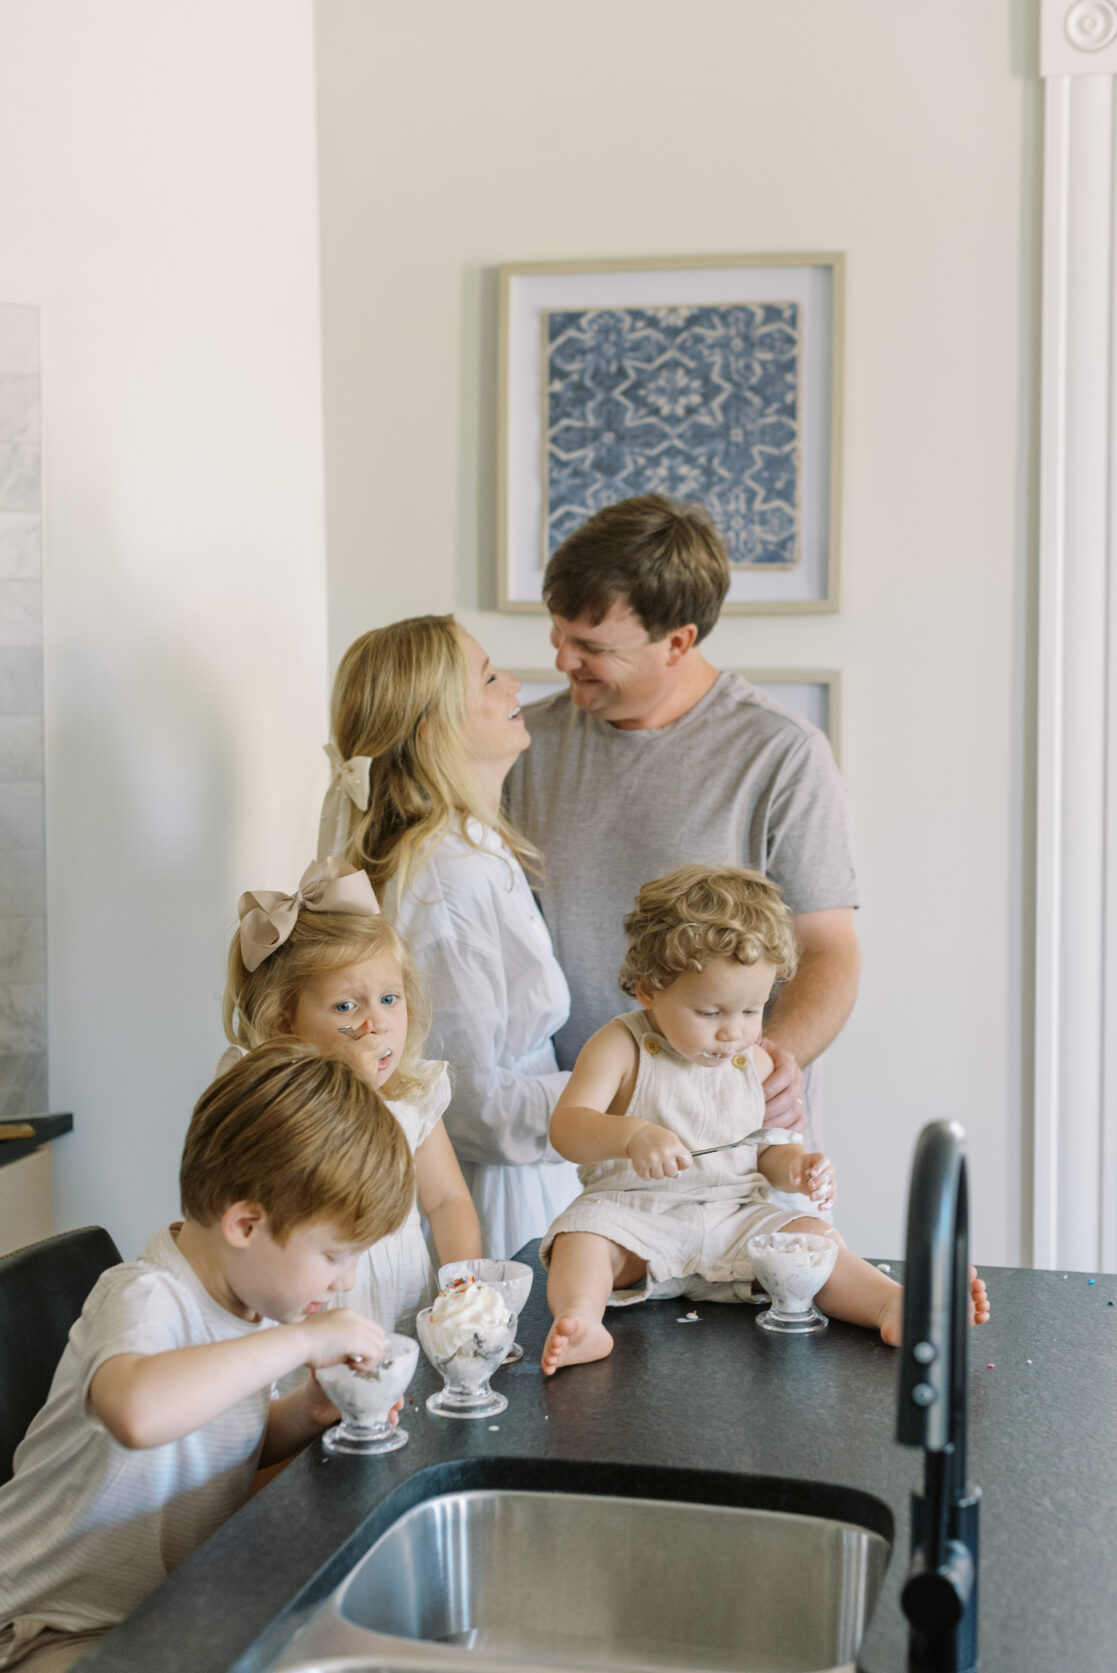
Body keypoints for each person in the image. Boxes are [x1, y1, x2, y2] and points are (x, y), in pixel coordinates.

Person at [0, 1039, 414, 1672]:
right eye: (334, 1256)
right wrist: (305, 1341)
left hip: (159, 1611)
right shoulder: (145, 1297)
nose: (346, 1281)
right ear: (245, 1226)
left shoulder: (250, 1305)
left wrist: (307, 1410)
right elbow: (138, 1412)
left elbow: (222, 1439)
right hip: (42, 1629)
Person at [504, 493, 861, 1144]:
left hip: (723, 1136)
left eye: (591, 645)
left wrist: (773, 1056)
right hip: (557, 1139)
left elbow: (827, 949)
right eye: (557, 635)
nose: (561, 662)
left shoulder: (779, 753)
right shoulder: (523, 744)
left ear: (678, 641)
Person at [539, 866, 990, 1374]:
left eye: (752, 1010)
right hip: (635, 1218)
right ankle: (581, 1322)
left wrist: (798, 1165)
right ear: (649, 990)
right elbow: (568, 1128)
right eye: (710, 1013)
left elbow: (767, 1150)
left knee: (812, 1237)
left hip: (735, 1218)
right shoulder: (619, 1045)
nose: (733, 1033)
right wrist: (631, 1135)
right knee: (581, 1241)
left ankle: (893, 1304)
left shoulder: (754, 1060)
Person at [323, 615, 580, 1259]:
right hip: (497, 1198)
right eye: (490, 677)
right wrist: (623, 1088)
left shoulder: (472, 850)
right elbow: (469, 1102)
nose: (516, 685)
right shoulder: (447, 877)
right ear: (435, 731)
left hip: (534, 1174)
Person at [222, 855, 481, 1332]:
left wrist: (462, 1287)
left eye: (389, 998)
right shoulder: (270, 1102)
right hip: (315, 1310)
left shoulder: (413, 1098)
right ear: (286, 1023)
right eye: (346, 1005)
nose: (377, 1022)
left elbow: (446, 1201)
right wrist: (348, 1089)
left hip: (401, 1302)